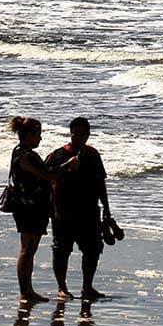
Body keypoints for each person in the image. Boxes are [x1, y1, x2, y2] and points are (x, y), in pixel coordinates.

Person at [8, 115, 78, 302]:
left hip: (27, 206)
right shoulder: (27, 155)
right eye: (38, 135)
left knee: (28, 249)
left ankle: (27, 290)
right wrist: (67, 165)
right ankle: (26, 291)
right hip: (30, 208)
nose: (40, 139)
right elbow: (47, 175)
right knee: (28, 249)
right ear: (29, 135)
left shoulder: (18, 152)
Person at [46, 116, 112, 301]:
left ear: (88, 135)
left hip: (90, 211)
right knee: (61, 250)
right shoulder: (59, 155)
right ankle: (62, 288)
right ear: (71, 134)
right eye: (76, 134)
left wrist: (107, 209)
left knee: (93, 250)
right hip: (63, 212)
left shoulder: (93, 155)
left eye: (84, 134)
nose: (80, 138)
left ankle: (87, 287)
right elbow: (47, 178)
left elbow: (101, 183)